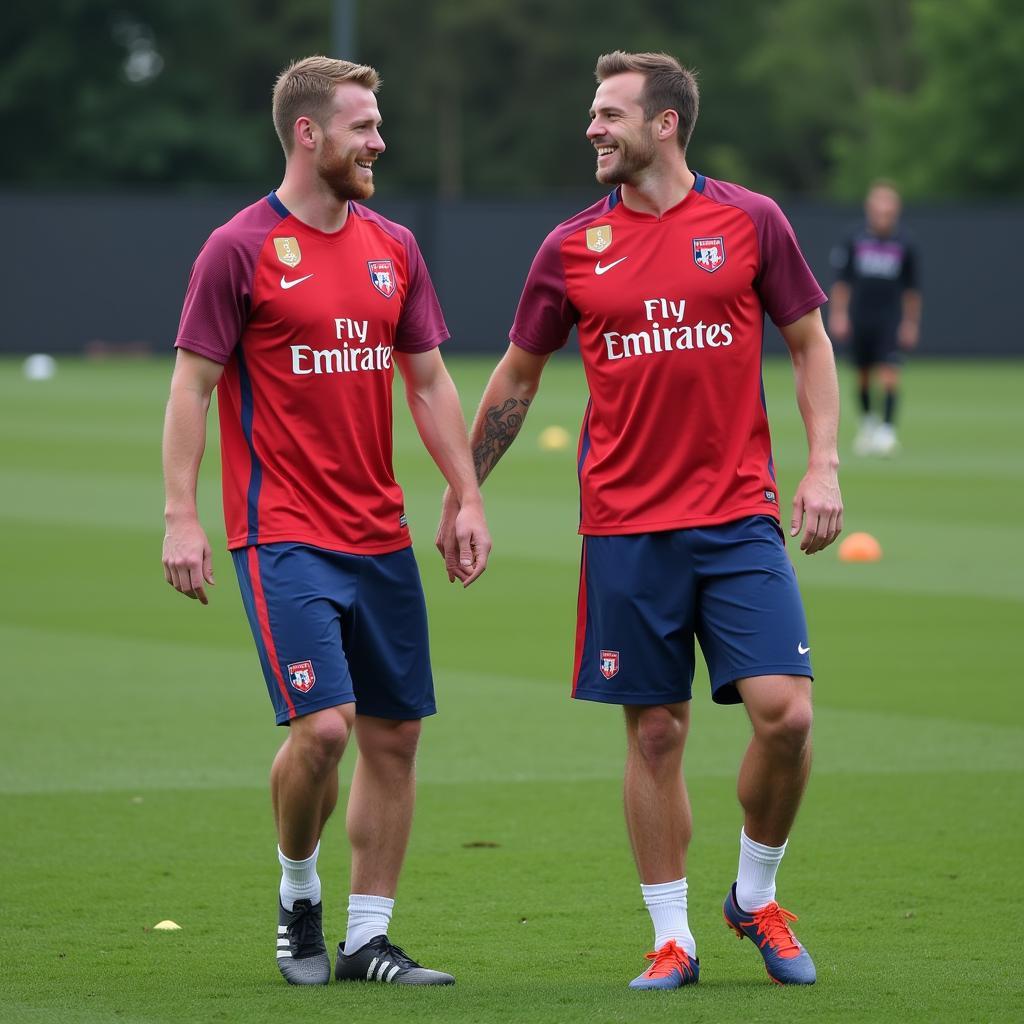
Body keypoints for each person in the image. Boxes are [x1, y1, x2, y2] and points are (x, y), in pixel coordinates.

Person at [438, 50, 842, 989]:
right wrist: (468, 488)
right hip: (624, 527)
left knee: (787, 719)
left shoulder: (751, 221)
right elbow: (519, 374)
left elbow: (810, 341)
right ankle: (673, 937)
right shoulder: (571, 245)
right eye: (593, 112)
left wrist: (822, 464)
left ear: (665, 123)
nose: (593, 128)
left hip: (740, 516)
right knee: (655, 734)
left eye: (611, 113)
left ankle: (754, 894)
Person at [161, 55, 490, 988]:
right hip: (283, 535)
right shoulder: (239, 248)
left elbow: (426, 380)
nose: (379, 140)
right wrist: (182, 515)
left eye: (378, 124)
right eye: (363, 126)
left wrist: (466, 494)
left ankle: (367, 938)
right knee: (326, 732)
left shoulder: (395, 244)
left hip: (379, 535)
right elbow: (193, 384)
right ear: (309, 134)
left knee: (395, 736)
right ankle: (299, 891)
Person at [828, 181, 921, 455]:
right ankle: (868, 425)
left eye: (889, 204)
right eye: (879, 203)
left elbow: (912, 290)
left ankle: (887, 431)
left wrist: (910, 322)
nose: (883, 209)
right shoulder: (854, 239)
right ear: (870, 207)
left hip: (889, 318)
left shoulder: (906, 244)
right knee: (863, 376)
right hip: (860, 317)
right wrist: (839, 315)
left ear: (896, 209)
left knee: (890, 373)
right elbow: (842, 283)